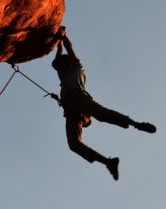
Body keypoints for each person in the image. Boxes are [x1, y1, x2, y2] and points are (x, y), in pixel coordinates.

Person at [52, 27, 156, 181]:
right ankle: (108, 162)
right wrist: (58, 43)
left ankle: (136, 124)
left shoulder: (77, 67)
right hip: (72, 110)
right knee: (73, 144)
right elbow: (59, 55)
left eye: (60, 66)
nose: (58, 70)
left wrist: (63, 37)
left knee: (101, 114)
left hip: (80, 99)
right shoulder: (64, 76)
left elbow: (68, 48)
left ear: (66, 64)